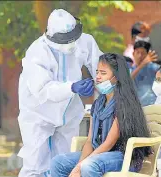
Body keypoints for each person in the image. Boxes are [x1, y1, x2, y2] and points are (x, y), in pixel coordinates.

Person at [17, 9, 103, 177]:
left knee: (63, 162)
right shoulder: (37, 52)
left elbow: (102, 67)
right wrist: (72, 87)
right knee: (35, 165)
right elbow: (42, 89)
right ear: (51, 36)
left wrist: (101, 84)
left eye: (73, 36)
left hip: (69, 113)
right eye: (66, 39)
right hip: (39, 114)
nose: (71, 42)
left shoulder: (85, 41)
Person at [51, 53, 152, 177]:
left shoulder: (124, 103)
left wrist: (81, 166)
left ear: (116, 77)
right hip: (99, 152)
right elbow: (89, 141)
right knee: (58, 162)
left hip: (123, 155)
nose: (97, 77)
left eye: (103, 73)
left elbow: (109, 143)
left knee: (89, 166)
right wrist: (79, 164)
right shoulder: (98, 103)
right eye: (97, 72)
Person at [130, 40, 159, 106]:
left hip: (153, 107)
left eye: (143, 53)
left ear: (147, 55)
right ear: (133, 54)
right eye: (138, 52)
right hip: (136, 108)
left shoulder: (154, 68)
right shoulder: (130, 69)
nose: (140, 56)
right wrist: (142, 64)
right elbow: (127, 81)